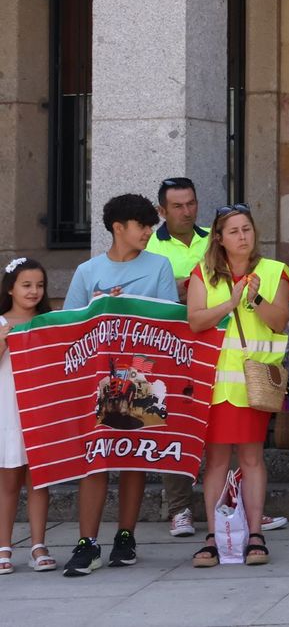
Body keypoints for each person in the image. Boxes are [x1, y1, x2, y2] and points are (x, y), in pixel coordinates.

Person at [60, 193, 180, 577]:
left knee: (134, 455)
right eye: (141, 226)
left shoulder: (159, 266)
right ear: (118, 228)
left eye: (150, 226)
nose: (148, 232)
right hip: (96, 380)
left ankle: (126, 537)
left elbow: (168, 323)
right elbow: (70, 328)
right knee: (94, 458)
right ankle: (87, 542)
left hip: (142, 377)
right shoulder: (87, 270)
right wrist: (97, 307)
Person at [184, 206, 289, 568]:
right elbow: (195, 321)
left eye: (247, 229)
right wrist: (230, 302)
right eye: (234, 231)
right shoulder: (204, 274)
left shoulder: (274, 271)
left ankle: (255, 534)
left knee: (252, 458)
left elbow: (280, 322)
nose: (242, 236)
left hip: (254, 384)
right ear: (219, 238)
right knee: (214, 461)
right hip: (214, 385)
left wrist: (255, 299)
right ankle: (214, 536)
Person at [146, 176, 210, 537]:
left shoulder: (213, 239)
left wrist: (194, 287)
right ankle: (179, 510)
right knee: (172, 423)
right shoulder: (150, 247)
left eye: (191, 203)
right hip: (168, 347)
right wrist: (182, 288)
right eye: (177, 206)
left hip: (214, 340)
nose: (187, 212)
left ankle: (233, 501)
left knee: (222, 422)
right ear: (161, 210)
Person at [0, 257, 53, 573]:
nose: (34, 291)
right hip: (8, 411)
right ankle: (4, 547)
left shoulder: (48, 322)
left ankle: (38, 545)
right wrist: (5, 339)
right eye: (27, 285)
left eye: (40, 285)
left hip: (41, 411)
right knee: (8, 481)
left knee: (40, 481)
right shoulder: (1, 322)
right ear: (10, 288)